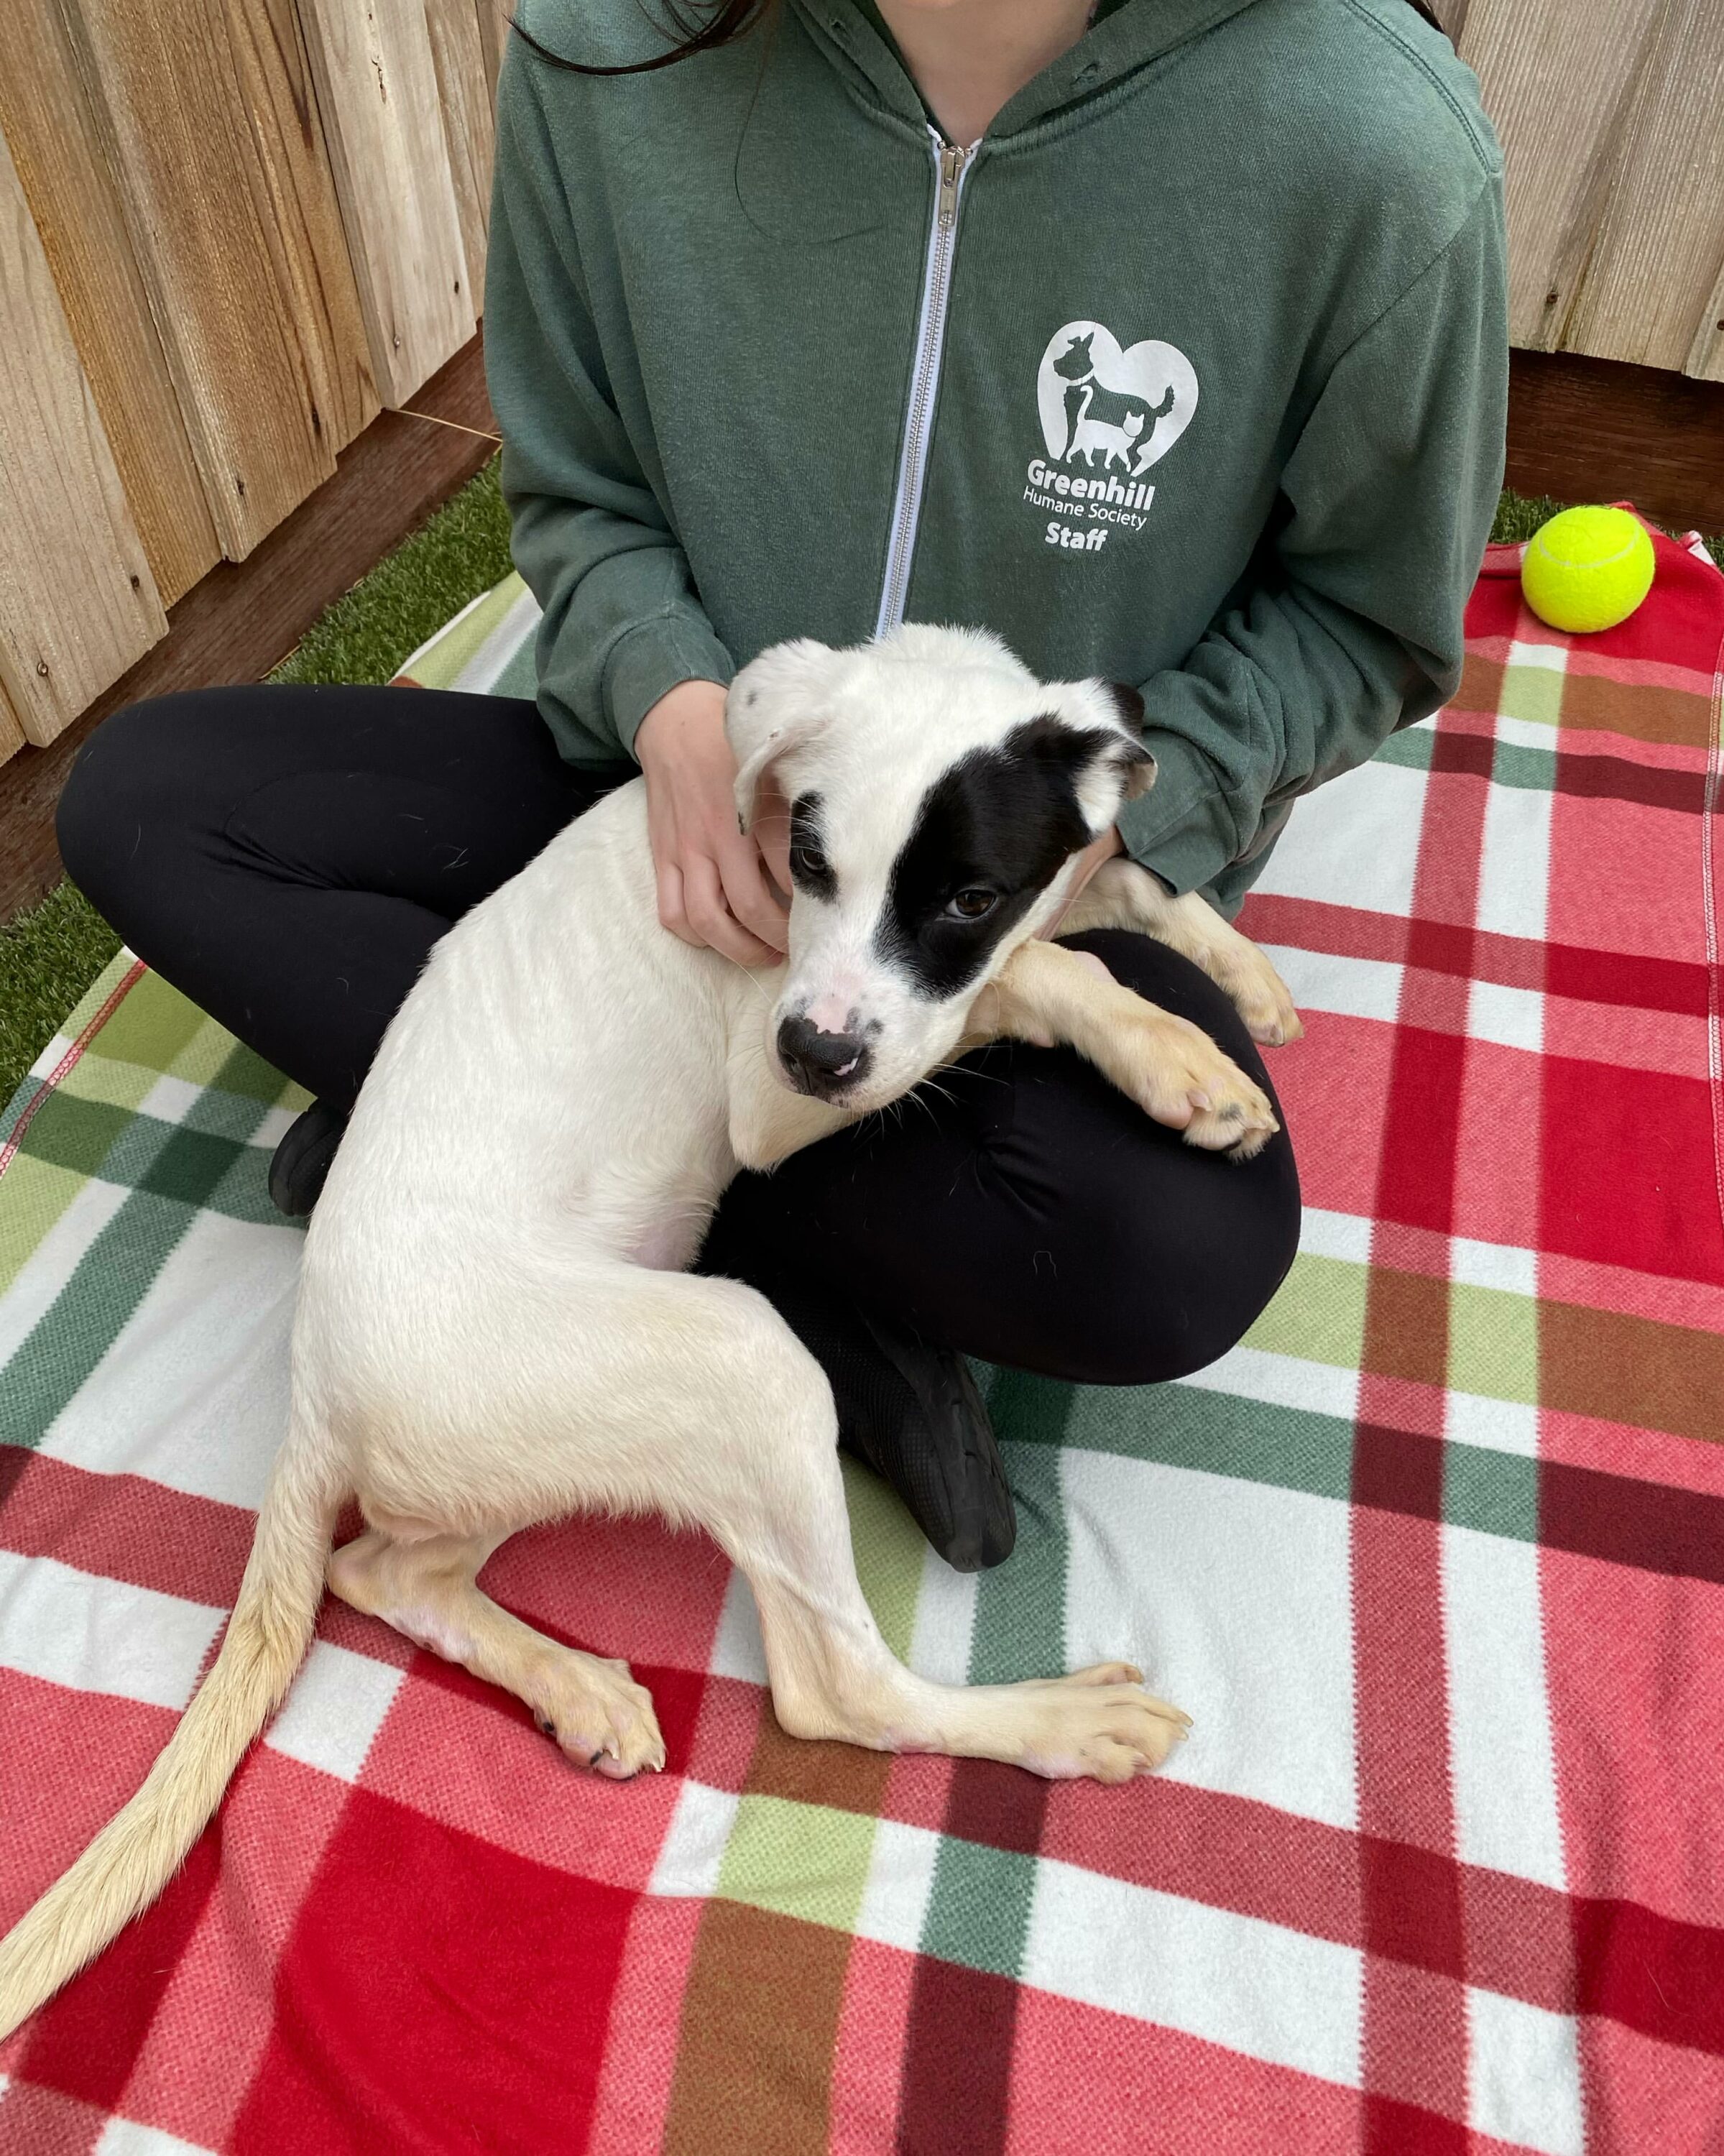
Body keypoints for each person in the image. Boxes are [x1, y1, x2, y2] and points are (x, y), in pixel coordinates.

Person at [56, 0, 1506, 1573]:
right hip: (661, 802)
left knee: (1174, 1248)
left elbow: (1362, 620)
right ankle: (595, 1186)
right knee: (154, 802)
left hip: (990, 909)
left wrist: (1103, 833)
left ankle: (727, 1254)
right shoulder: (609, 39)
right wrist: (679, 714)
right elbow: (581, 492)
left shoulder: (1376, 143)